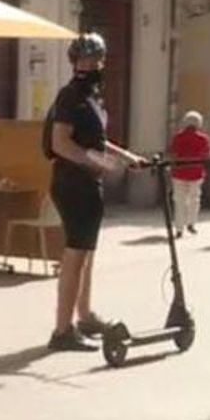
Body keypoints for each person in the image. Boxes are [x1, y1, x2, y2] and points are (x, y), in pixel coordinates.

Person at [42, 32, 147, 352]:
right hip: (72, 183)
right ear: (75, 62)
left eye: (98, 58)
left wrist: (128, 158)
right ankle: (62, 331)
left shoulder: (92, 98)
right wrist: (97, 161)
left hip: (88, 182)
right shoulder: (70, 96)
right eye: (87, 59)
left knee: (86, 252)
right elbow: (61, 143)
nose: (94, 64)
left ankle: (85, 316)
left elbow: (97, 141)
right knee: (75, 254)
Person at [168, 110, 210, 236]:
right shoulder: (203, 138)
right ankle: (191, 223)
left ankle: (179, 228)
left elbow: (172, 153)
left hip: (179, 172)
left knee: (179, 200)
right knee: (194, 199)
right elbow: (209, 154)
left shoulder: (178, 137)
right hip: (196, 171)